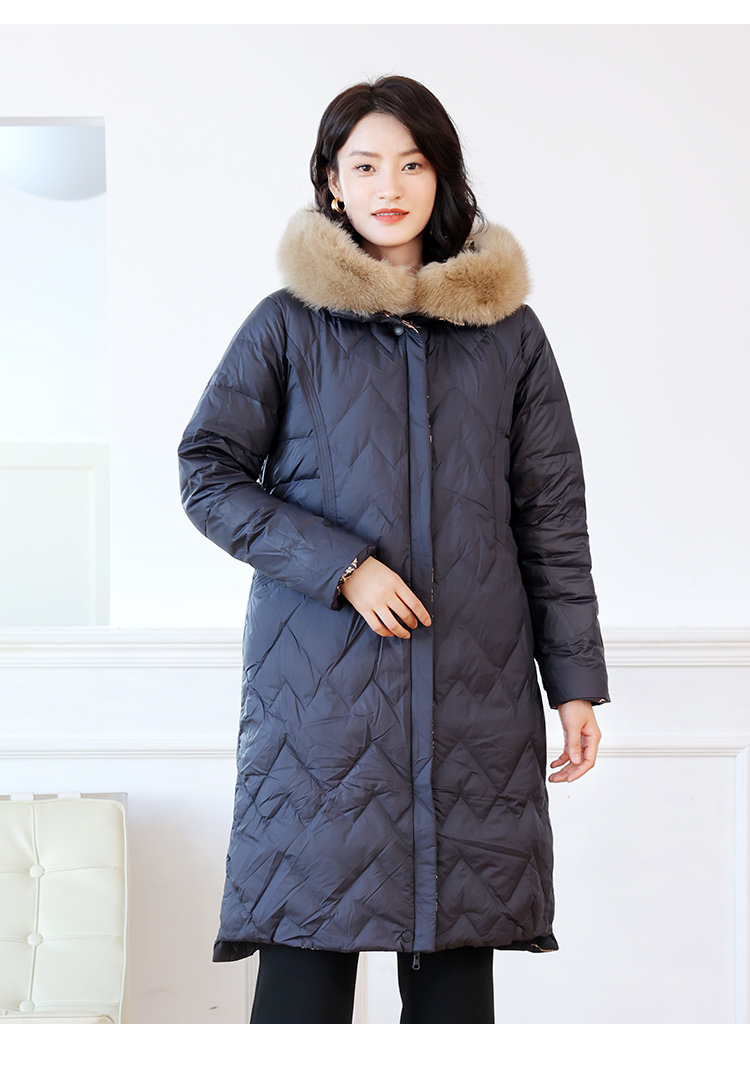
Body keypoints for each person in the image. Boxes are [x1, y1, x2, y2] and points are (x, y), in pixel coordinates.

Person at [177, 74, 610, 1025]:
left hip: (473, 696)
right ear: (332, 182)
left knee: (453, 986)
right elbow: (207, 472)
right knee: (303, 980)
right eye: (365, 165)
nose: (389, 186)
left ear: (441, 175)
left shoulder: (508, 333)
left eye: (411, 164)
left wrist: (574, 684)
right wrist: (343, 568)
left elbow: (551, 515)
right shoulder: (288, 324)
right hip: (322, 709)